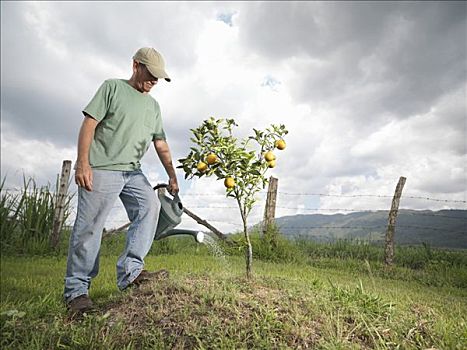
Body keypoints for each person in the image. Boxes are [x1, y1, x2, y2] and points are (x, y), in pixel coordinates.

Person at [64, 47, 179, 315]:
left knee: (150, 206)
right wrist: (83, 162)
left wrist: (172, 174)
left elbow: (160, 143)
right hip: (102, 167)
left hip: (133, 171)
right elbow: (89, 124)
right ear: (136, 65)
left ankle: (131, 272)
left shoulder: (153, 106)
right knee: (90, 228)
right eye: (150, 74)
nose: (154, 81)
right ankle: (77, 292)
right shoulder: (112, 88)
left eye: (158, 77)